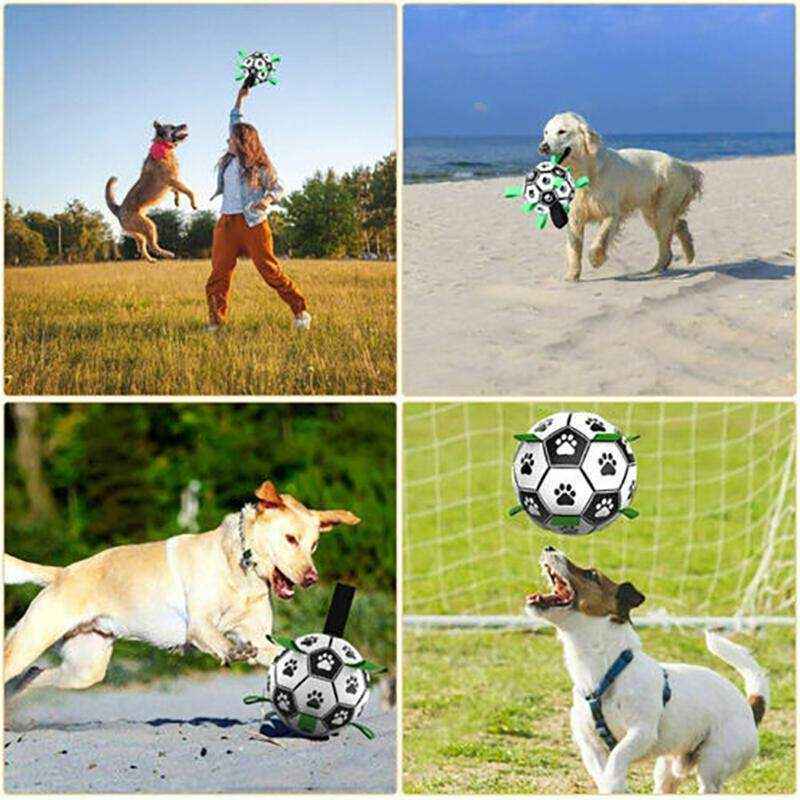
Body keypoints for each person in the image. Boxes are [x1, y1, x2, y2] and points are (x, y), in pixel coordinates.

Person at [206, 84, 310, 331]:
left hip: (253, 223)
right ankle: (216, 322)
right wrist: (240, 98)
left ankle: (300, 310)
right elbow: (234, 119)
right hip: (226, 224)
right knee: (219, 274)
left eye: (231, 138)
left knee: (269, 271)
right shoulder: (229, 161)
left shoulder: (259, 168)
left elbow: (278, 188)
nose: (227, 139)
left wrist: (267, 200)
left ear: (242, 142)